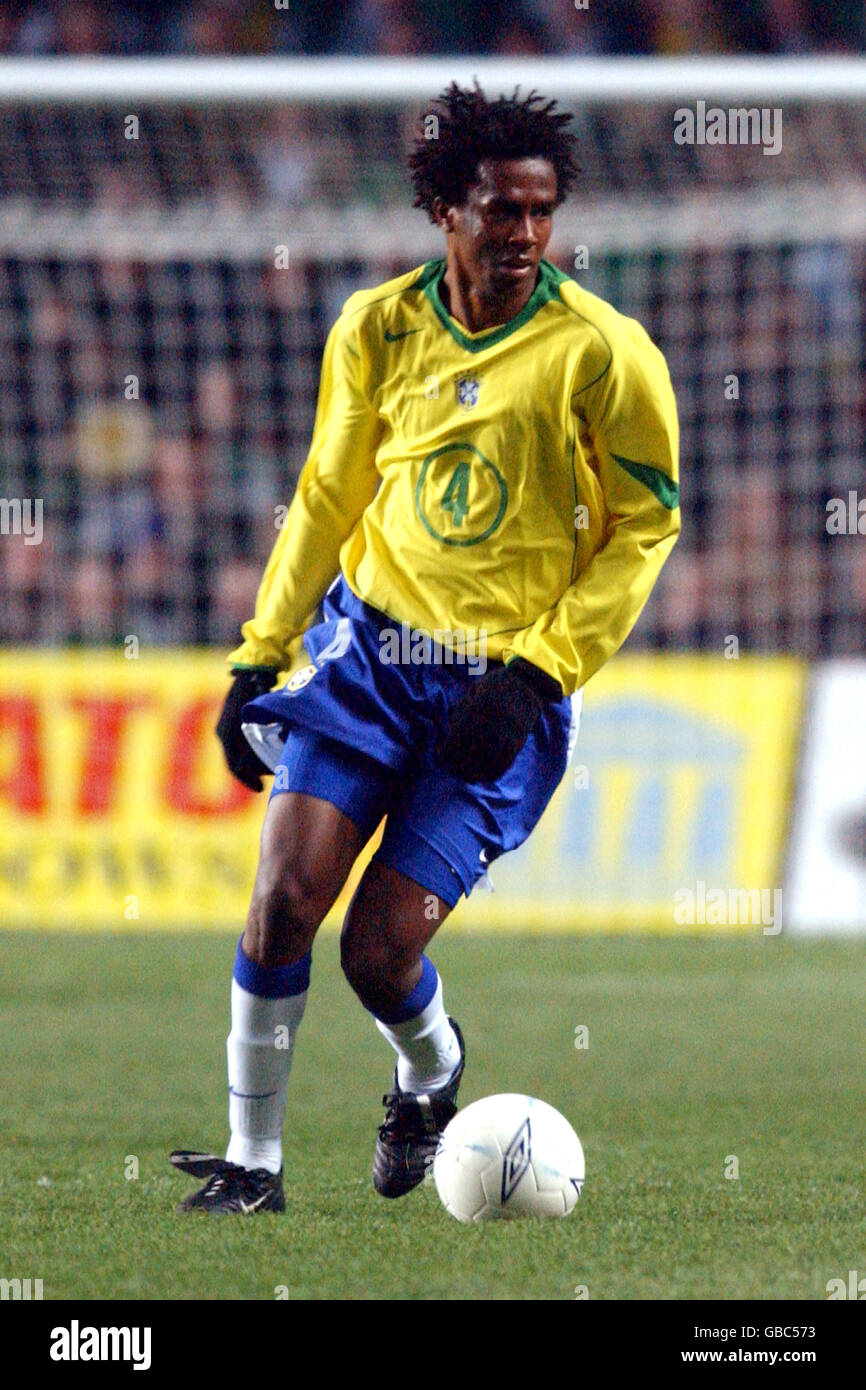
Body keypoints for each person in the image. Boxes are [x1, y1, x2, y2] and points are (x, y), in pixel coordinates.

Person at [170, 82, 680, 1213]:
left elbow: (646, 527)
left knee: (377, 949)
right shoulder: (375, 326)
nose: (524, 235)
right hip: (368, 656)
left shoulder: (603, 352)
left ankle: (431, 1069)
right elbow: (326, 491)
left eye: (540, 213)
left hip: (503, 687)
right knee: (283, 898)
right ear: (445, 208)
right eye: (500, 210)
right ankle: (253, 1163)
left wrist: (541, 668)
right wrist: (259, 655)